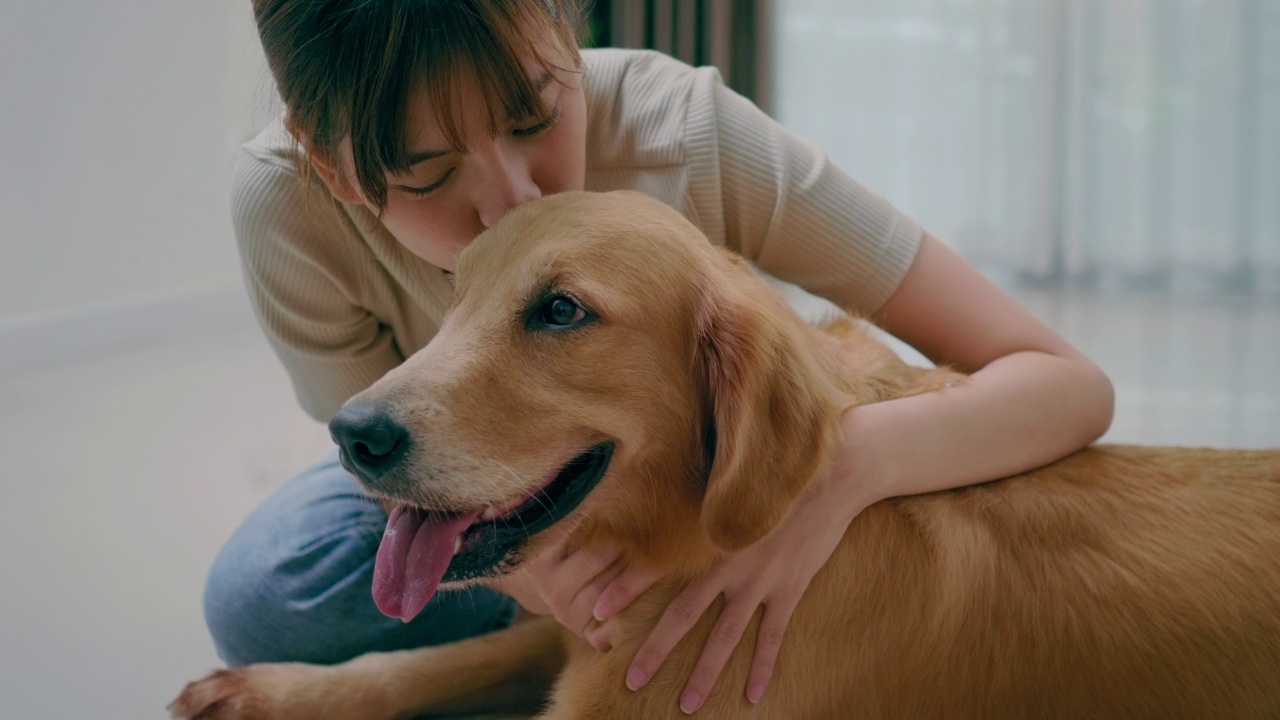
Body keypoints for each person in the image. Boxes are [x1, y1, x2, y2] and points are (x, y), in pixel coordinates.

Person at [205, 0, 1115, 714]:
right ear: (330, 166)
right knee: (260, 597)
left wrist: (827, 481)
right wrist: (542, 578)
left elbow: (1066, 383)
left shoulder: (689, 131)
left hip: (704, 455)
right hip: (447, 456)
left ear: (570, 37)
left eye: (534, 113)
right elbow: (369, 436)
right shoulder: (284, 209)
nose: (517, 197)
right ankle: (633, 603)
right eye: (427, 172)